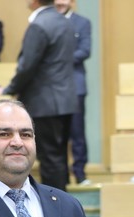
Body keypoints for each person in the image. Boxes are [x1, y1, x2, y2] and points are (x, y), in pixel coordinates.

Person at [0, 0, 76, 191]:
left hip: (44, 101)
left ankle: (53, 204)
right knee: (59, 156)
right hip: (65, 100)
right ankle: (62, 201)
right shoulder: (64, 21)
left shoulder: (39, 25)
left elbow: (27, 66)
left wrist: (8, 90)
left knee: (49, 159)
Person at [54, 0, 92, 185]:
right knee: (56, 134)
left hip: (75, 86)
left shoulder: (82, 22)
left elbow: (84, 51)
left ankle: (80, 173)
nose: (60, 2)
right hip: (52, 86)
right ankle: (60, 176)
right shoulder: (47, 21)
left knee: (77, 133)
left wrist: (59, 59)